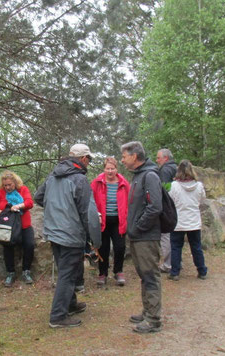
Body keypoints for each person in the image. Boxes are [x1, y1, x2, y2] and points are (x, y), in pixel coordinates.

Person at [34, 143, 101, 328]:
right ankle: (58, 316)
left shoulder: (53, 175)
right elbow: (87, 213)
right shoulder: (79, 180)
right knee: (68, 274)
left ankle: (70, 304)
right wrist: (95, 240)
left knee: (66, 270)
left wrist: (57, 210)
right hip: (71, 234)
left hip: (54, 233)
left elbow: (38, 197)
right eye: (88, 158)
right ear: (82, 159)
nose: (89, 162)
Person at [120, 141, 163, 334]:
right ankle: (147, 311)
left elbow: (155, 207)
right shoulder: (139, 176)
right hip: (139, 236)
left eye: (124, 156)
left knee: (150, 276)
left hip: (146, 236)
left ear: (135, 156)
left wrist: (138, 228)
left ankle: (153, 319)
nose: (122, 160)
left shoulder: (150, 175)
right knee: (144, 275)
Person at [0, 170, 35, 287]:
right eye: (5, 185)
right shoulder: (0, 192)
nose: (7, 187)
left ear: (15, 182)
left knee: (29, 244)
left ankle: (26, 271)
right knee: (7, 246)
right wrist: (5, 212)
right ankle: (10, 273)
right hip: (8, 226)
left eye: (10, 185)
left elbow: (29, 203)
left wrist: (18, 206)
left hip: (24, 225)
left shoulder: (23, 189)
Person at [91, 157, 130, 286]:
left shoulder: (124, 183)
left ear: (116, 169)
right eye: (107, 168)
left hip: (119, 220)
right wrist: (95, 214)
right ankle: (102, 274)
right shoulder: (97, 182)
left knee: (120, 247)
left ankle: (118, 271)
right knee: (103, 249)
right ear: (104, 169)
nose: (110, 171)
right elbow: (90, 200)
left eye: (112, 168)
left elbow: (130, 200)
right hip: (102, 221)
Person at [168, 160, 207, 281]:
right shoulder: (199, 186)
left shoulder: (174, 186)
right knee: (196, 247)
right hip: (194, 221)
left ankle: (175, 272)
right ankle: (202, 271)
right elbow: (202, 200)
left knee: (175, 247)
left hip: (178, 221)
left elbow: (170, 200)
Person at [156, 148, 177, 274]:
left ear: (166, 158)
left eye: (159, 158)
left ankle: (167, 264)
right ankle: (176, 261)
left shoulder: (165, 170)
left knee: (165, 236)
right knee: (175, 237)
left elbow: (164, 189)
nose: (157, 160)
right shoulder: (176, 167)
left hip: (168, 207)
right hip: (177, 207)